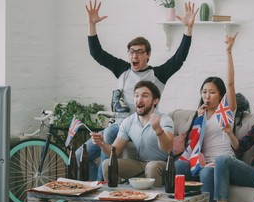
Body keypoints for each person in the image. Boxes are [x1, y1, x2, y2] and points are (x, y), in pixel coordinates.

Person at [77, 1, 198, 181]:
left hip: (141, 126)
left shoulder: (158, 74)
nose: (135, 56)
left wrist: (188, 29)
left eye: (140, 52)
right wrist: (91, 25)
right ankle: (95, 187)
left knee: (110, 132)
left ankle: (104, 182)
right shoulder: (122, 70)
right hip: (122, 125)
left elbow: (179, 58)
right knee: (80, 154)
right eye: (132, 52)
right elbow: (97, 54)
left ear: (148, 55)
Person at [175, 33, 238, 202]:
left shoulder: (226, 111)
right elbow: (191, 145)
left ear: (220, 96)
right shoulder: (199, 114)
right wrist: (197, 119)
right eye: (204, 92)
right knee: (179, 167)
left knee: (206, 174)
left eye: (212, 92)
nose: (207, 96)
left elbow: (230, 83)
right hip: (202, 160)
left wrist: (228, 52)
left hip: (220, 162)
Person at [91, 81, 174, 187]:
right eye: (136, 95)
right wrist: (102, 144)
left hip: (163, 165)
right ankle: (112, 200)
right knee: (108, 164)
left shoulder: (164, 120)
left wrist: (158, 130)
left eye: (145, 96)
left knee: (152, 166)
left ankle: (156, 201)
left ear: (155, 100)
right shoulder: (128, 122)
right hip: (140, 164)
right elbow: (115, 151)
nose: (139, 100)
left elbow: (168, 149)